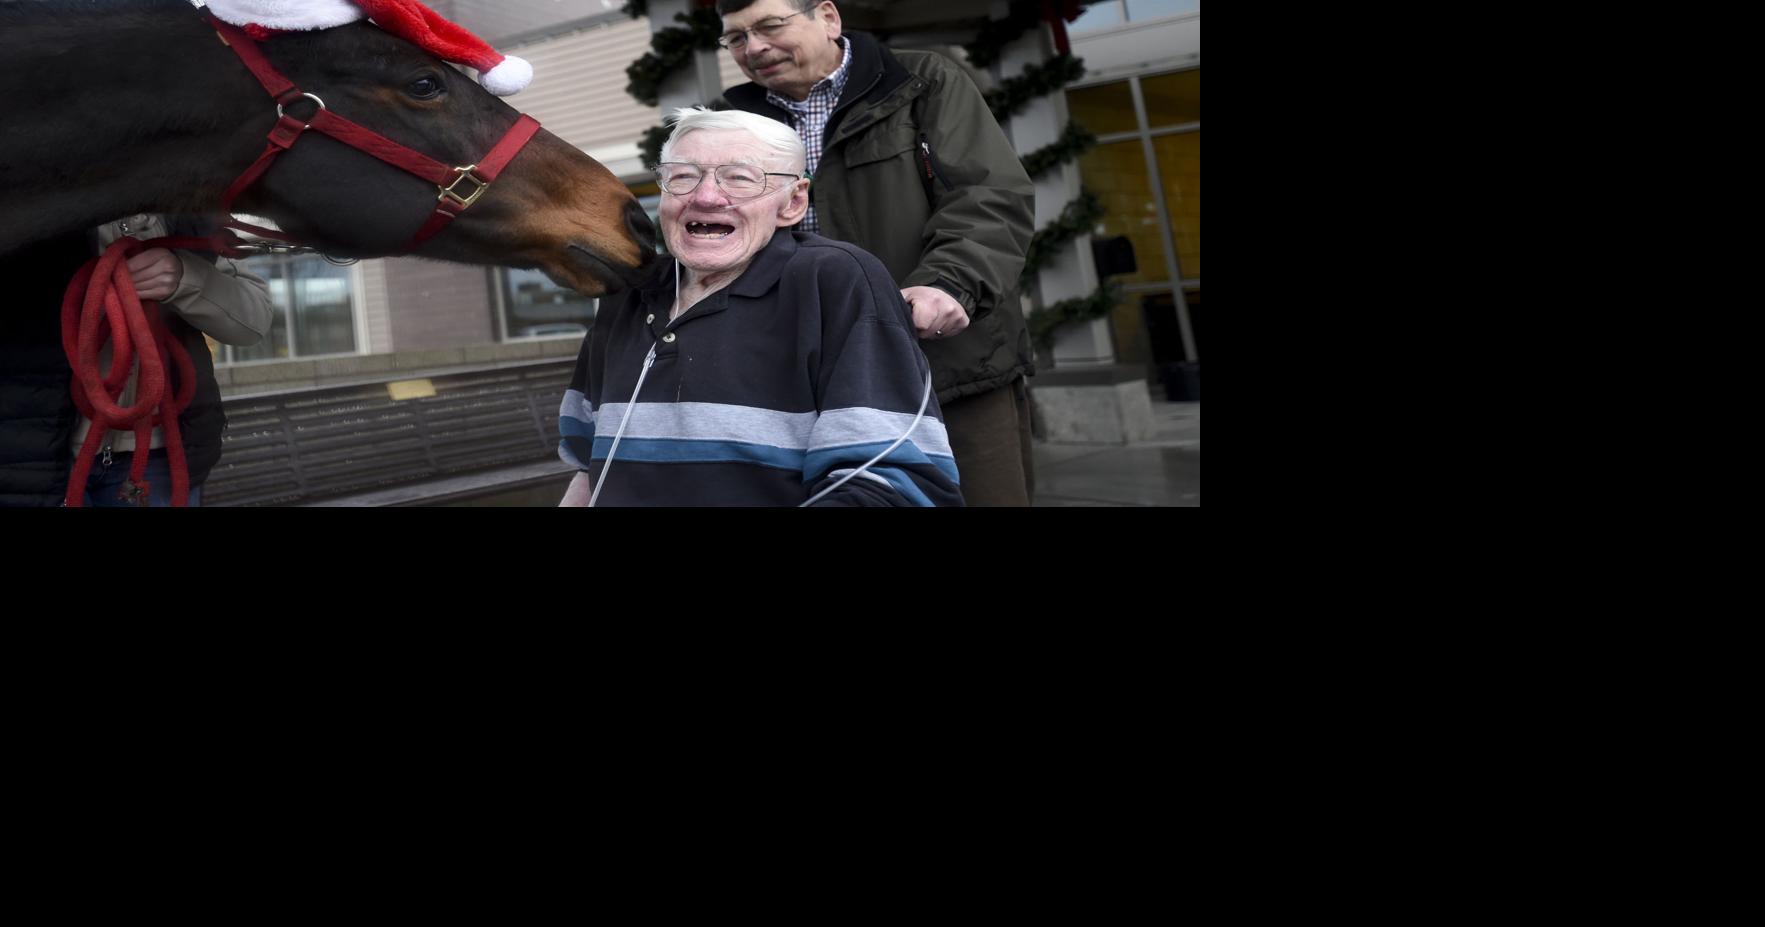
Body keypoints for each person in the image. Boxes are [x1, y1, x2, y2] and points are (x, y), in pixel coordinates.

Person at [716, 0, 1038, 505]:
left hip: (947, 365)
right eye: (736, 38)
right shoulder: (728, 124)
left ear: (828, 17)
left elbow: (988, 198)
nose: (753, 47)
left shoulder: (922, 79)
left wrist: (948, 283)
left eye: (770, 26)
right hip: (801, 385)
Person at [557, 107, 961, 506]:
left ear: (793, 203)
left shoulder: (832, 280)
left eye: (740, 178)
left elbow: (889, 479)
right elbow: (589, 468)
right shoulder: (628, 292)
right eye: (682, 177)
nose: (706, 196)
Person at [0, 215, 274, 507]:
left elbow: (254, 321)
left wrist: (186, 277)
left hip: (159, 457)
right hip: (32, 459)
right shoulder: (34, 197)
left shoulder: (188, 216)